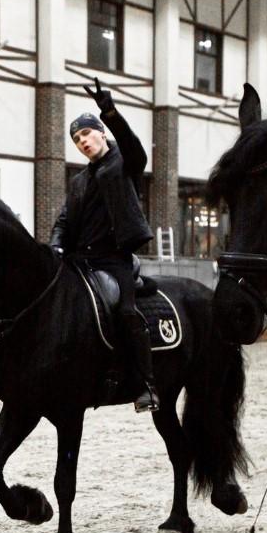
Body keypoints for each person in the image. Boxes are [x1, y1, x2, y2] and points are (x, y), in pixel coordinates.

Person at [49, 78, 158, 413]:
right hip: (79, 261)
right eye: (77, 139)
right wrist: (55, 247)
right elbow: (64, 220)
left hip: (114, 259)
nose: (82, 141)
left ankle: (146, 385)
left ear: (100, 133)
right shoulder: (79, 181)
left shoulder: (124, 161)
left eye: (86, 134)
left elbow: (131, 144)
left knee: (126, 312)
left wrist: (109, 111)